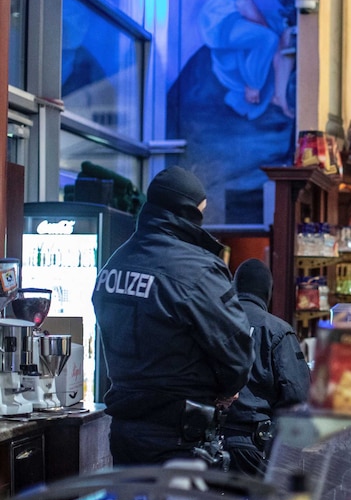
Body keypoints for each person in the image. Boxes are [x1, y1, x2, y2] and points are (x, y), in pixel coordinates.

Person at [92, 166, 255, 466]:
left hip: (124, 431)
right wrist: (226, 390)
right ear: (187, 212)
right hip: (179, 437)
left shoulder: (114, 264)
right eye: (201, 212)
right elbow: (236, 351)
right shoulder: (197, 269)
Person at [222, 258, 311, 477]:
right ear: (267, 292)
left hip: (211, 444)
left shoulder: (214, 321)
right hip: (255, 447)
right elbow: (298, 395)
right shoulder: (277, 331)